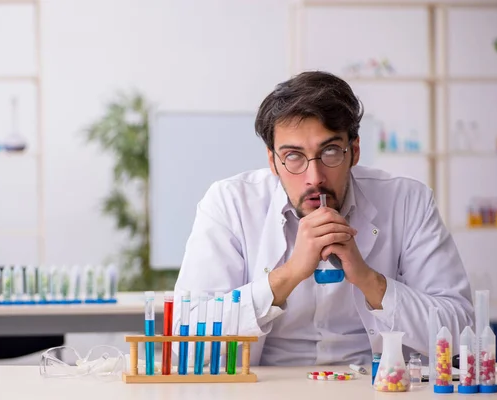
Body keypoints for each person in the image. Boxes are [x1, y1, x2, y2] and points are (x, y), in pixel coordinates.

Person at [173, 71, 474, 367]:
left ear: (354, 151)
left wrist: (369, 280)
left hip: (375, 387)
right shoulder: (230, 202)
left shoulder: (408, 201)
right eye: (293, 156)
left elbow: (461, 333)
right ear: (272, 160)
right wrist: (288, 275)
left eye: (330, 152)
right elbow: (184, 345)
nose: (314, 178)